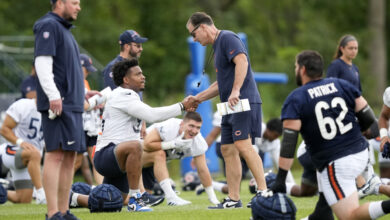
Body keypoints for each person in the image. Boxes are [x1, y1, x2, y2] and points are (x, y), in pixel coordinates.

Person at [269, 50, 390, 220]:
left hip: (336, 162)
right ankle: (322, 213)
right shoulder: (341, 85)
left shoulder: (296, 98)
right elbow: (369, 118)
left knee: (349, 216)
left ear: (302, 70)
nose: (295, 70)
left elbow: (289, 143)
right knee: (323, 205)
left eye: (296, 67)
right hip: (361, 154)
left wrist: (280, 179)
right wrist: (359, 131)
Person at [69, 59, 197, 211]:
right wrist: (181, 106)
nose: (143, 77)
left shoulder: (128, 95)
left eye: (142, 73)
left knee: (113, 202)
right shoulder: (123, 94)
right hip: (107, 156)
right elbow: (152, 115)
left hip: (117, 158)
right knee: (136, 145)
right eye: (138, 74)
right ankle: (136, 199)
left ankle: (73, 198)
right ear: (126, 79)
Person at [186, 12, 266, 209]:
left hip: (242, 100)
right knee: (227, 149)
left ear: (203, 27)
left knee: (243, 145)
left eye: (194, 34)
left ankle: (264, 193)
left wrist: (237, 90)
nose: (194, 39)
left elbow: (242, 61)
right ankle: (233, 198)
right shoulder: (217, 47)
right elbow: (220, 85)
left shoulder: (227, 37)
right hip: (229, 105)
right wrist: (198, 98)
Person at [33, 0, 88, 219]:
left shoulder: (65, 30)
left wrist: (84, 94)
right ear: (60, 3)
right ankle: (52, 213)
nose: (78, 7)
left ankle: (64, 212)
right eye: (74, 2)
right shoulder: (48, 25)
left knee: (70, 157)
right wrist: (54, 96)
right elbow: (42, 64)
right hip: (59, 103)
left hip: (73, 103)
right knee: (55, 155)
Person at [142, 112, 219, 206]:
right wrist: (172, 144)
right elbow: (146, 145)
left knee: (129, 201)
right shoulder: (170, 127)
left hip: (149, 167)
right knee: (159, 154)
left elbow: (202, 170)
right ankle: (171, 197)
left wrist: (213, 198)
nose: (194, 131)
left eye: (198, 127)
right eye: (191, 126)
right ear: (182, 124)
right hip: (134, 157)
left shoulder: (198, 141)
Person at [0, 98, 46, 204]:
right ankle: (40, 193)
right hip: (11, 150)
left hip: (30, 159)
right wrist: (20, 142)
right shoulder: (24, 105)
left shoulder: (53, 111)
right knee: (34, 153)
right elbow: (4, 129)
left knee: (23, 199)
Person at [73, 54, 103, 185]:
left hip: (90, 125)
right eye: (87, 70)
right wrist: (95, 102)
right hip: (78, 125)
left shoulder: (84, 82)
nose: (88, 73)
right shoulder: (72, 80)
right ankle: (57, 189)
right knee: (76, 161)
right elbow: (80, 104)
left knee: (96, 159)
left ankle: (104, 189)